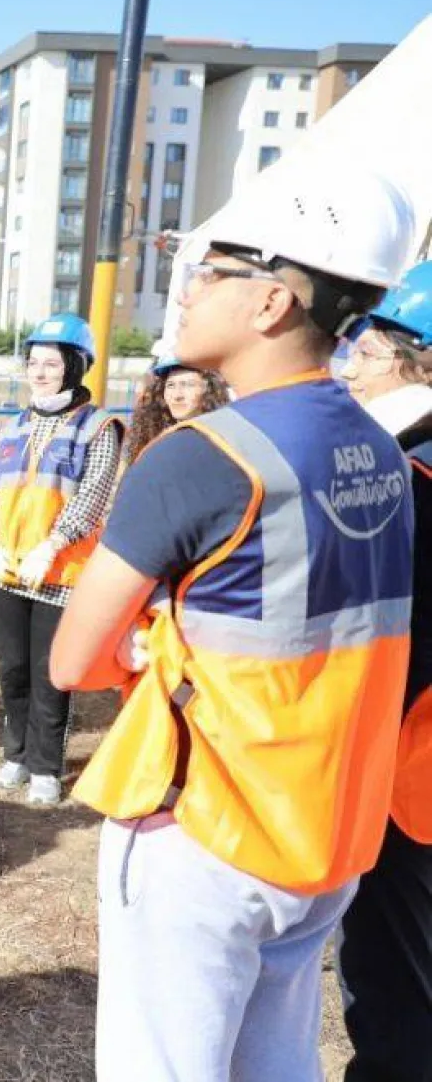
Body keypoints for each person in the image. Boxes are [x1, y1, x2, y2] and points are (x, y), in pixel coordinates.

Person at [49, 163, 418, 1081]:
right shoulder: (384, 449)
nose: (190, 286)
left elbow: (72, 658)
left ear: (271, 301)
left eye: (214, 266)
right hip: (325, 834)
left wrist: (144, 653)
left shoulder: (201, 457)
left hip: (203, 832)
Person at [332, 259, 432, 1082]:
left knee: (394, 980)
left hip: (409, 769)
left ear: (410, 357)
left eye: (363, 352)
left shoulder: (403, 469)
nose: (350, 367)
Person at [0, 313, 121, 806]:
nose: (39, 372)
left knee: (49, 671)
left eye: (50, 363)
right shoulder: (11, 426)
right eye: (33, 363)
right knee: (12, 669)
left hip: (58, 572)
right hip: (7, 572)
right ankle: (14, 755)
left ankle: (45, 766)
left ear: (75, 366)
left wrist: (52, 546)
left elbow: (93, 495)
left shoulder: (98, 428)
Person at [120, 356, 230, 467]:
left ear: (209, 390)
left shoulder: (224, 443)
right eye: (171, 385)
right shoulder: (150, 441)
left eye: (188, 385)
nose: (177, 395)